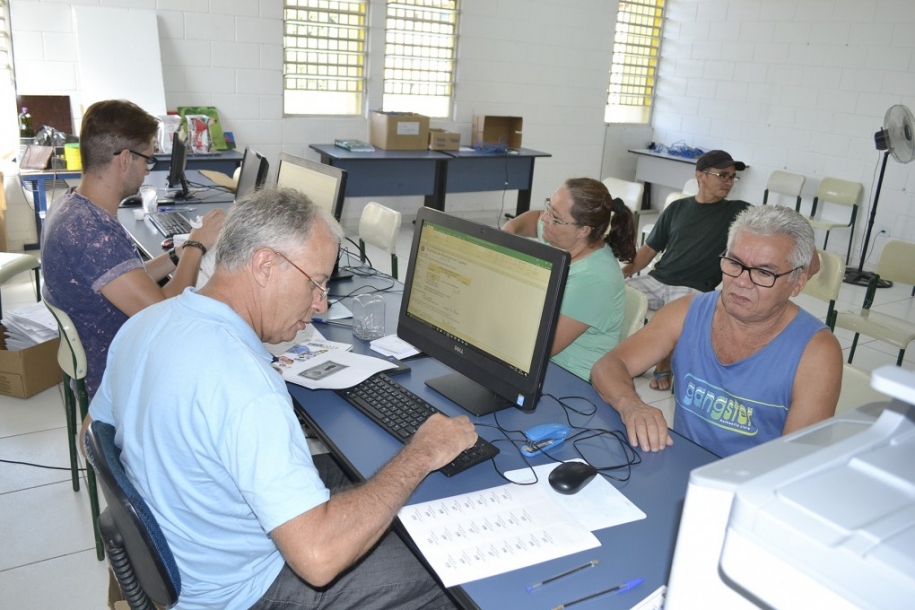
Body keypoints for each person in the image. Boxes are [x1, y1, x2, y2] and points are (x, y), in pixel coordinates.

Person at [81, 188, 476, 610]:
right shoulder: (246, 387)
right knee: (449, 570)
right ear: (266, 265)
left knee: (357, 476)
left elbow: (91, 432)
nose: (321, 304)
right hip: (241, 592)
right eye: (317, 283)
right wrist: (420, 454)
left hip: (193, 555)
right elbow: (318, 560)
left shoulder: (148, 323)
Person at [591, 204, 842, 458]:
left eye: (764, 272)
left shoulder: (816, 353)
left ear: (797, 282)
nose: (742, 282)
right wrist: (631, 405)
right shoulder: (687, 312)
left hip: (751, 488)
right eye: (734, 262)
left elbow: (796, 463)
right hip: (679, 471)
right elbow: (609, 365)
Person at [41, 99, 224, 399]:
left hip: (109, 355)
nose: (146, 172)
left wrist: (177, 255)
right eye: (147, 160)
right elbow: (165, 312)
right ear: (125, 159)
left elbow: (128, 277)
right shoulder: (94, 234)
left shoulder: (71, 205)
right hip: (119, 383)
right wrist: (196, 245)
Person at [623, 150, 752, 391]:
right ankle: (633, 354)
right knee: (614, 295)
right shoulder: (677, 208)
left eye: (732, 177)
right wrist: (620, 275)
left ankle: (663, 366)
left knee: (674, 315)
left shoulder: (738, 211)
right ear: (700, 176)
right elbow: (648, 251)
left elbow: (775, 224)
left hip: (693, 287)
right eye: (722, 175)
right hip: (658, 279)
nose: (728, 182)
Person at [502, 177, 637, 381]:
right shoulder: (559, 236)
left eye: (555, 218)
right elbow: (533, 219)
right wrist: (509, 230)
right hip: (543, 365)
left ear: (583, 230)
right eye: (549, 207)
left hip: (570, 379)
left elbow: (543, 348)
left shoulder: (595, 279)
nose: (545, 219)